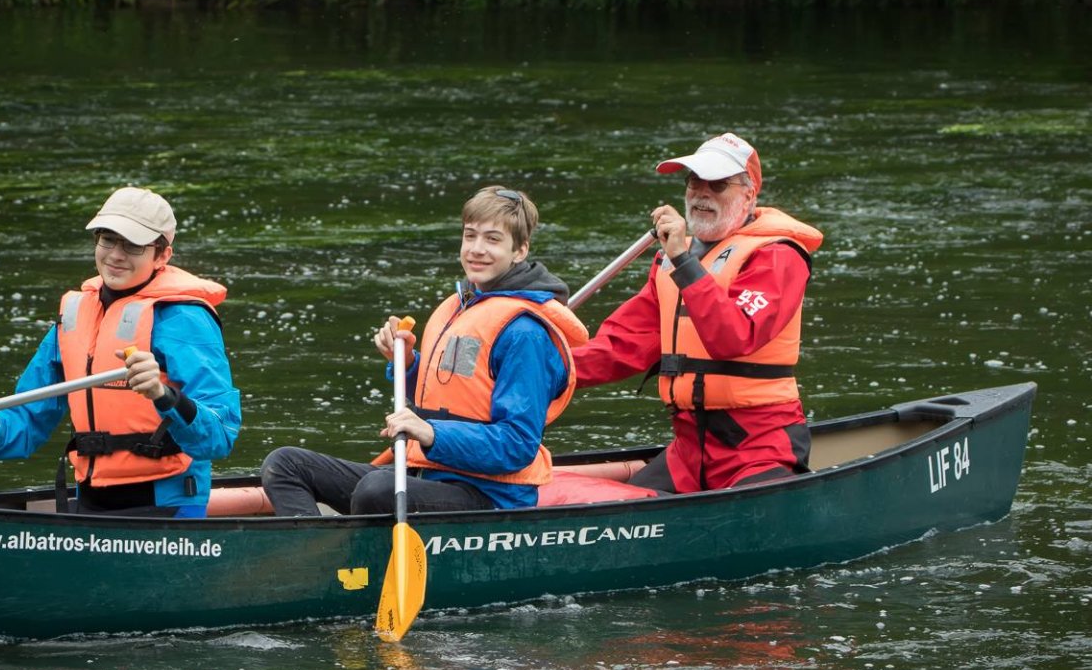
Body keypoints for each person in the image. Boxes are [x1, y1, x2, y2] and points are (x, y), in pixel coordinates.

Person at [0, 186, 241, 518]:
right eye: (108, 239)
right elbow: (24, 422)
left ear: (162, 254)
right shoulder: (74, 316)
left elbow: (219, 438)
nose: (116, 255)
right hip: (90, 500)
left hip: (168, 503)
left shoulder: (184, 318)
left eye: (133, 245)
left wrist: (164, 395)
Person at [260, 186, 588, 516]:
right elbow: (452, 393)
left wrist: (431, 433)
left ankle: (361, 561)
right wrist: (406, 364)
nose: (476, 249)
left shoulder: (526, 334)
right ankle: (316, 561)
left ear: (519, 250)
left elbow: (517, 445)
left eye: (492, 239)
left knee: (377, 491)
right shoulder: (461, 307)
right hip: (430, 474)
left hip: (490, 495)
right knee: (285, 464)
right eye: (469, 236)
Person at [572, 132, 823, 493]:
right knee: (615, 507)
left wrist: (683, 261)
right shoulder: (672, 260)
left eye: (718, 184)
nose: (701, 193)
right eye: (694, 182)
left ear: (749, 194)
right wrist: (544, 370)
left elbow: (733, 336)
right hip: (690, 448)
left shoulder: (778, 255)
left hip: (758, 447)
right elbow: (622, 346)